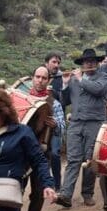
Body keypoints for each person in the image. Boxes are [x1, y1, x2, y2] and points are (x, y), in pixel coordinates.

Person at [7, 67, 64, 211]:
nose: (40, 80)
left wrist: (55, 125)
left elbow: (62, 128)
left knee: (38, 193)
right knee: (15, 189)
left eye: (44, 78)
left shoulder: (54, 103)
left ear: (48, 81)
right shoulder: (20, 97)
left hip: (41, 153)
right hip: (20, 152)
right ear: (32, 78)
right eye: (37, 77)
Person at [55, 49, 107, 208]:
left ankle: (87, 194)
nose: (89, 64)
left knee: (89, 159)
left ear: (97, 63)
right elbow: (65, 101)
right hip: (76, 123)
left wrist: (80, 79)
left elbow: (98, 90)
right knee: (73, 159)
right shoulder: (73, 80)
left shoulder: (103, 77)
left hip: (94, 122)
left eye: (92, 61)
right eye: (86, 62)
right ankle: (66, 195)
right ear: (82, 64)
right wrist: (65, 85)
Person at [44, 53, 64, 191]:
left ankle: (57, 185)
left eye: (58, 63)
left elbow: (65, 99)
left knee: (55, 154)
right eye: (53, 62)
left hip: (56, 117)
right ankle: (45, 184)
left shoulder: (62, 79)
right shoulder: (39, 76)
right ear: (46, 63)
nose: (56, 65)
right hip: (40, 125)